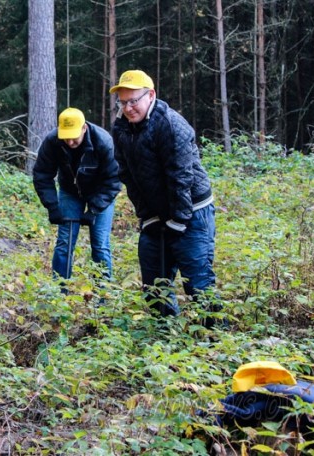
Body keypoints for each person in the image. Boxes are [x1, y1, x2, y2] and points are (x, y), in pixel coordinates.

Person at [109, 69, 220, 326]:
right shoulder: (121, 128)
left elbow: (181, 177)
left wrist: (179, 221)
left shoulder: (170, 124)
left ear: (151, 95)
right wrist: (146, 215)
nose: (128, 108)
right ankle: (165, 336)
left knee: (198, 284)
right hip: (156, 214)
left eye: (133, 100)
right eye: (123, 102)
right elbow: (127, 174)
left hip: (191, 211)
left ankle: (215, 339)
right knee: (155, 286)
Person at [32, 107, 121, 285]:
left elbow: (114, 180)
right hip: (70, 192)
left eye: (74, 136)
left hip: (100, 192)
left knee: (100, 245)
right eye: (66, 136)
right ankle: (60, 291)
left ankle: (103, 295)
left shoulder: (103, 142)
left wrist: (94, 209)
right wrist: (52, 206)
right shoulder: (52, 141)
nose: (70, 141)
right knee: (65, 242)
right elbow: (42, 174)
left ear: (84, 128)